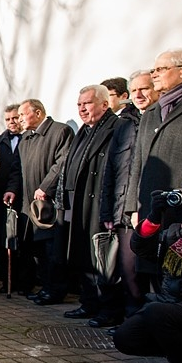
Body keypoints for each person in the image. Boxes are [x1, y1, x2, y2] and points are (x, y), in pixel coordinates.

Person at [55, 85, 121, 326]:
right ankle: (89, 302)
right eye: (79, 104)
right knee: (83, 255)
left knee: (101, 259)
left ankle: (108, 309)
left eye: (88, 103)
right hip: (78, 200)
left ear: (105, 104)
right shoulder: (84, 130)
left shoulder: (116, 128)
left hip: (98, 201)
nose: (82, 108)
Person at [113, 189, 182, 363]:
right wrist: (155, 217)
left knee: (157, 312)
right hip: (173, 303)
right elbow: (142, 249)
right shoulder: (176, 229)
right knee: (126, 337)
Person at [100, 70, 159, 325]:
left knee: (157, 276)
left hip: (157, 210)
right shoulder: (125, 123)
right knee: (130, 271)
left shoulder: (163, 119)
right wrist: (110, 212)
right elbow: (112, 170)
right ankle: (133, 322)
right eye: (134, 90)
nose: (138, 95)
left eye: (144, 89)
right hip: (127, 211)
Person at [126, 48, 182, 275]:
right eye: (154, 69)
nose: (155, 74)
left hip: (181, 211)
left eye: (161, 69)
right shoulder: (152, 111)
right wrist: (134, 207)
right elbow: (139, 162)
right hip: (150, 211)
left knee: (178, 281)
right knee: (152, 275)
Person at [15, 98, 74, 305]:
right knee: (37, 251)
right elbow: (18, 169)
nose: (19, 119)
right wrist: (11, 191)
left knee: (52, 251)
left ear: (38, 113)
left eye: (23, 114)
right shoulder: (26, 139)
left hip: (49, 204)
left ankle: (56, 290)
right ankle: (45, 287)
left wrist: (46, 187)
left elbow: (63, 162)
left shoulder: (60, 131)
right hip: (29, 204)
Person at [0, 104, 24, 291]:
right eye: (8, 119)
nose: (12, 122)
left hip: (24, 198)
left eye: (16, 118)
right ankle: (6, 281)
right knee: (4, 241)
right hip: (1, 199)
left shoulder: (29, 139)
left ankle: (24, 281)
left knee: (23, 242)